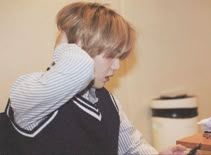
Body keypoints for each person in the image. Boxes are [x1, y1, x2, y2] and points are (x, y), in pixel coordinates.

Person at [1, 2, 188, 155]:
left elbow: (132, 147)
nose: (116, 66)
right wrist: (66, 42)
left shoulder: (107, 100)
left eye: (120, 57)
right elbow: (79, 70)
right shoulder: (28, 93)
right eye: (110, 56)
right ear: (77, 50)